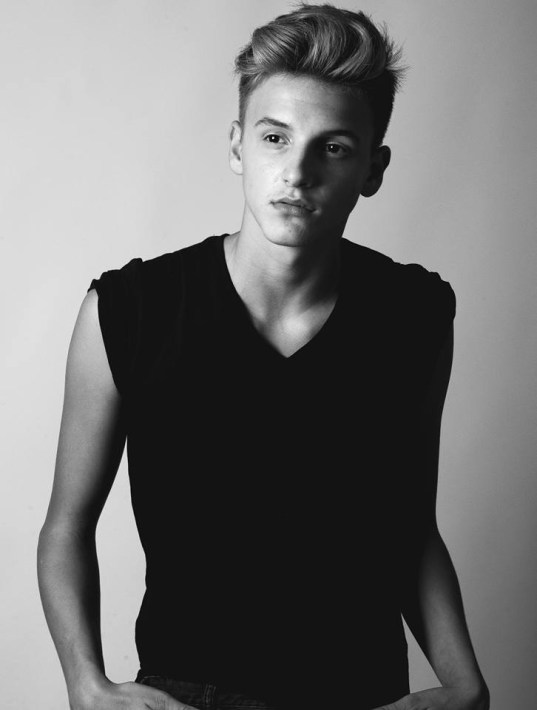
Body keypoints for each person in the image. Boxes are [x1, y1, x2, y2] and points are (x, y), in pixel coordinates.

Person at [37, 4, 490, 710]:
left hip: (360, 692)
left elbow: (408, 524)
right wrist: (86, 685)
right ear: (237, 145)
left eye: (332, 147)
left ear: (372, 169)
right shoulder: (129, 311)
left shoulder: (414, 314)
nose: (296, 172)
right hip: (187, 693)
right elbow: (66, 525)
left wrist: (464, 682)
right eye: (275, 137)